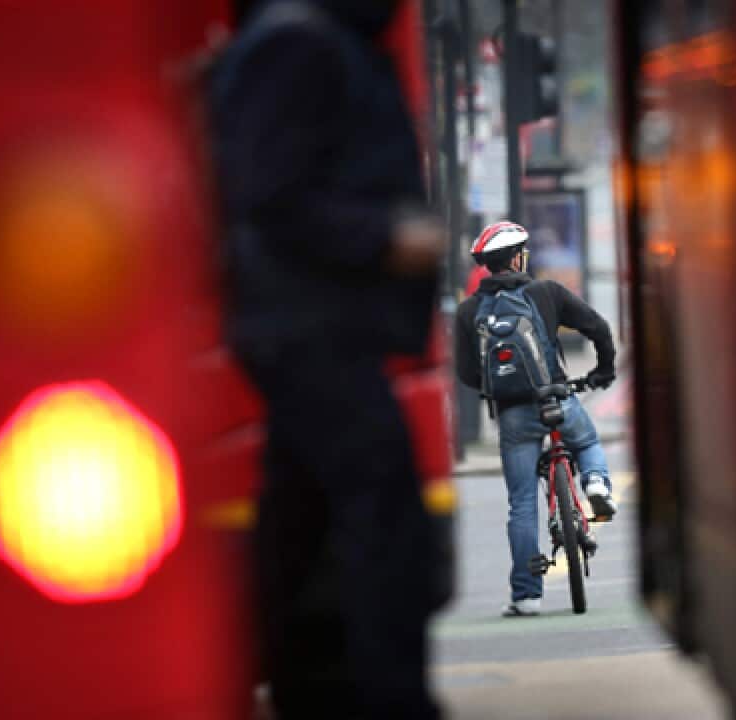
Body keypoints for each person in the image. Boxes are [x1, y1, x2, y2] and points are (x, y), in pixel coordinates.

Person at [206, 1, 443, 717]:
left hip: (310, 326)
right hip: (310, 329)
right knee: (386, 516)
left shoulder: (322, 38)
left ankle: (274, 682)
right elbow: (267, 194)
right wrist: (385, 238)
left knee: (299, 526)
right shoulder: (298, 43)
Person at [455, 221, 617, 617]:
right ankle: (596, 482)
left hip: (513, 415)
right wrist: (603, 370)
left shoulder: (468, 311)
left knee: (522, 503)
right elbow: (598, 328)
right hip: (557, 398)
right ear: (516, 259)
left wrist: (497, 389)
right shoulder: (547, 292)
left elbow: (466, 373)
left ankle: (527, 596)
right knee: (586, 441)